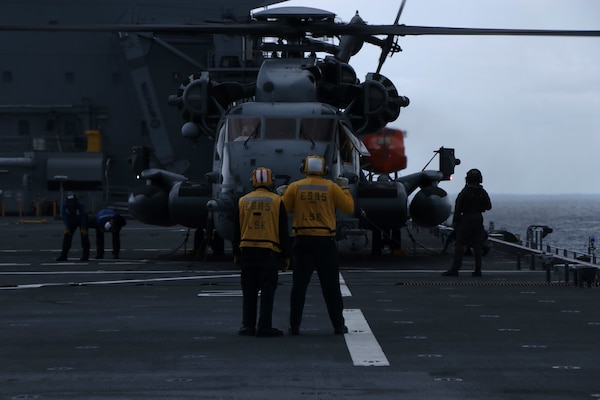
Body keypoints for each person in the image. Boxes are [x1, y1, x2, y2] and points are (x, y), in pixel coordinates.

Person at [280, 155, 354, 335]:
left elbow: (281, 210)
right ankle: (338, 325)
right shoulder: (331, 187)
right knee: (331, 287)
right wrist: (344, 188)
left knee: (299, 286)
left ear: (303, 168)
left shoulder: (296, 187)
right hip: (325, 241)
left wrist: (282, 194)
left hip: (302, 240)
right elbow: (349, 208)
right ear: (324, 170)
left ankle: (294, 326)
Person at [232, 167, 290, 337]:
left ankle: (247, 325)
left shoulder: (242, 201)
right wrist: (286, 255)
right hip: (268, 251)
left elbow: (237, 229)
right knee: (267, 290)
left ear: (253, 182)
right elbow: (282, 231)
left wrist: (236, 252)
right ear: (271, 182)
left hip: (247, 251)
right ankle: (264, 325)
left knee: (249, 291)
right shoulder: (277, 201)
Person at [442, 169, 492, 277]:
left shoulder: (465, 192)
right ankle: (478, 270)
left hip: (466, 218)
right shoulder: (482, 192)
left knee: (460, 243)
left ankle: (455, 269)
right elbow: (488, 206)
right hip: (478, 217)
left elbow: (458, 206)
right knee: (477, 244)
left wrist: (455, 221)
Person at [56, 192, 90, 261]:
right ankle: (64, 255)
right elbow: (65, 217)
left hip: (81, 220)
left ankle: (85, 256)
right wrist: (67, 227)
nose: (72, 203)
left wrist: (83, 226)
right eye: (70, 202)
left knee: (84, 237)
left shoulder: (80, 206)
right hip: (71, 221)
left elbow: (83, 216)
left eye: (73, 201)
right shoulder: (65, 207)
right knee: (67, 237)